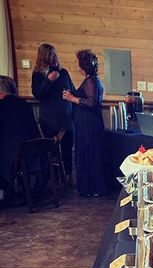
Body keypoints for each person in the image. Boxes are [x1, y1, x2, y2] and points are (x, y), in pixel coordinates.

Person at [62, 49, 106, 197]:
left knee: (89, 154)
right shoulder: (92, 79)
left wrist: (72, 98)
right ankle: (90, 188)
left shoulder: (91, 80)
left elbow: (91, 102)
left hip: (89, 125)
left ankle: (92, 188)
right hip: (88, 124)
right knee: (88, 154)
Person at [31, 43, 75, 184]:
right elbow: (38, 94)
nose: (54, 58)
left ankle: (68, 176)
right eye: (51, 56)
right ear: (44, 58)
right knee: (52, 152)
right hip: (49, 120)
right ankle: (54, 179)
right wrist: (48, 80)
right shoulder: (38, 75)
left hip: (67, 120)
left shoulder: (64, 73)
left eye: (55, 55)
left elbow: (72, 90)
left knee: (68, 149)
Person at [0, 76, 40, 202]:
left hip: (11, 157)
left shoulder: (2, 106)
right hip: (31, 153)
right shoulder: (24, 104)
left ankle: (4, 193)